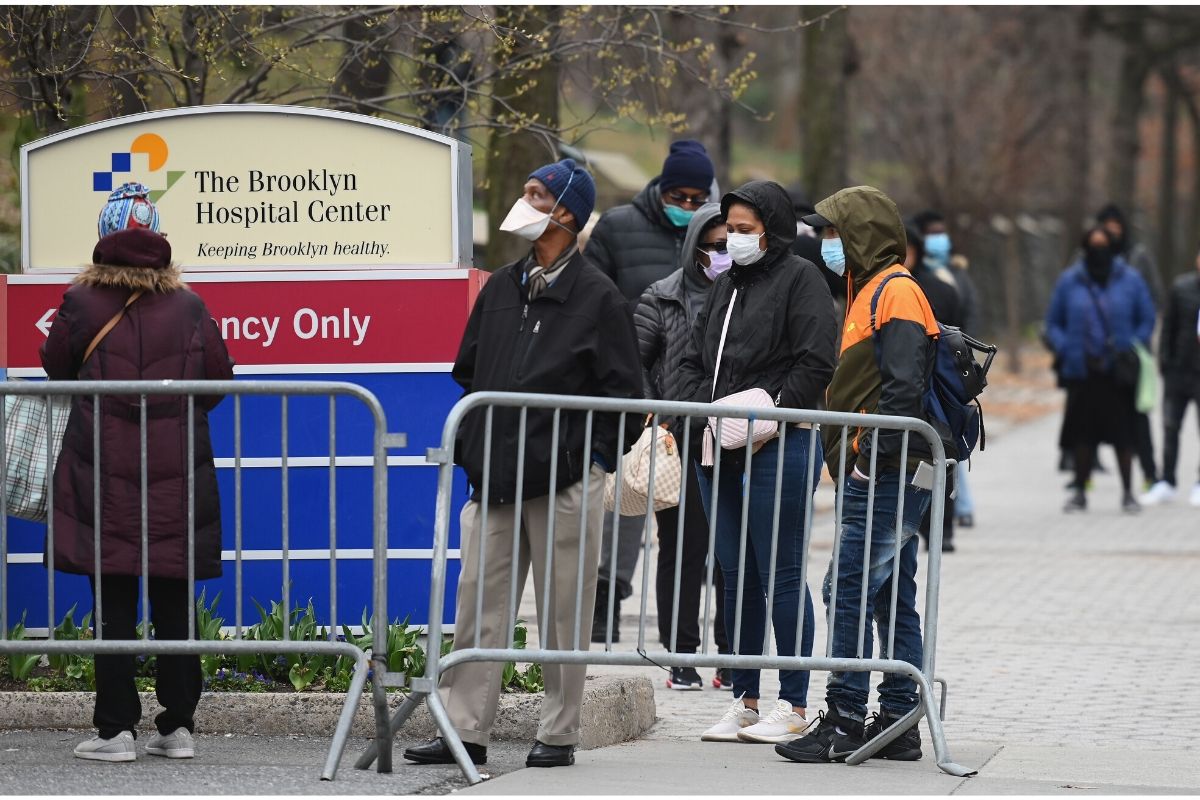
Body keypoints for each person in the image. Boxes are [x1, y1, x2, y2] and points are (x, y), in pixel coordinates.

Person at [403, 159, 642, 769]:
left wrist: (589, 459)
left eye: (535, 193)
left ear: (565, 211)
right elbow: (470, 370)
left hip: (564, 481)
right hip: (496, 478)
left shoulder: (599, 297)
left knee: (565, 610)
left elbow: (626, 399)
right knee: (478, 605)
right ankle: (465, 730)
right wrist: (480, 446)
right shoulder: (503, 287)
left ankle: (558, 734)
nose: (523, 199)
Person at [42, 182, 234, 762]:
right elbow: (219, 381)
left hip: (102, 473)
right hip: (177, 471)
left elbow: (56, 370)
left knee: (114, 603)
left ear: (105, 234)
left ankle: (115, 732)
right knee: (174, 602)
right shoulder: (190, 304)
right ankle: (178, 729)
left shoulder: (80, 302)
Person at [777, 185, 941, 765]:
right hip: (887, 470)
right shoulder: (873, 291)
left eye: (832, 232)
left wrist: (868, 460)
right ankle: (899, 720)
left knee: (845, 589)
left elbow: (902, 389)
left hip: (885, 475)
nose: (824, 243)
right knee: (891, 594)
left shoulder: (894, 292)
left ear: (859, 236)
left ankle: (845, 717)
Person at [677, 180, 837, 744]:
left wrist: (764, 409)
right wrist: (707, 411)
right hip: (717, 447)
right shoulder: (725, 286)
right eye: (730, 231)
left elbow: (815, 362)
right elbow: (693, 358)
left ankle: (794, 702)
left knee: (782, 573)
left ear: (772, 228)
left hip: (780, 442)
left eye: (746, 230)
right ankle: (744, 698)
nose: (735, 241)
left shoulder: (802, 280)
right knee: (734, 574)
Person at [585, 140, 717, 643]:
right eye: (677, 194)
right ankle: (605, 599)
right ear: (660, 188)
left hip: (689, 405)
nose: (685, 205)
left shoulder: (714, 239)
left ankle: (680, 634)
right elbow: (594, 299)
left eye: (695, 197)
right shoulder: (619, 227)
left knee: (680, 522)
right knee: (627, 501)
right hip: (633, 387)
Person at [633, 203, 731, 691]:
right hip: (681, 436)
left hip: (737, 435)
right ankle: (680, 654)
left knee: (735, 550)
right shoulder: (662, 296)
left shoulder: (749, 296)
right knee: (683, 549)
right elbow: (636, 364)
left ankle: (734, 655)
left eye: (731, 244)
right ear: (696, 247)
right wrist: (658, 413)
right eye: (715, 246)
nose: (724, 254)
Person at [1045, 227, 1155, 514]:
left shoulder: (1130, 280)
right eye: (1093, 245)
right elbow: (1053, 322)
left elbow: (1147, 317)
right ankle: (1080, 490)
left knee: (1124, 436)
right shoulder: (1070, 281)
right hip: (1083, 371)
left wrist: (1133, 345)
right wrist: (1065, 346)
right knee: (1083, 434)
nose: (1099, 250)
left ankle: (1129, 492)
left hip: (1118, 372)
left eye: (1104, 245)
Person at [913, 209, 978, 537]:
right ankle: (945, 522)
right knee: (942, 452)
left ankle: (946, 521)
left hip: (940, 382)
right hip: (938, 382)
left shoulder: (944, 283)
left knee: (943, 451)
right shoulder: (925, 285)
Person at [1095, 204, 1161, 491]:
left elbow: (1153, 302)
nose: (1112, 233)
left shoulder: (1138, 259)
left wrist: (1137, 340)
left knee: (1137, 414)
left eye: (1116, 227)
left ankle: (1149, 473)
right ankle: (1083, 474)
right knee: (1090, 413)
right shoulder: (1087, 262)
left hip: (1130, 353)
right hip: (1097, 351)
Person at [1141, 247, 1200, 507]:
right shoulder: (1182, 288)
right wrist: (1165, 362)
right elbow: (1168, 327)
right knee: (1170, 426)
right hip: (1179, 370)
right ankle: (1167, 481)